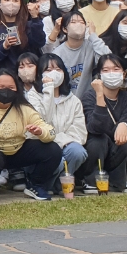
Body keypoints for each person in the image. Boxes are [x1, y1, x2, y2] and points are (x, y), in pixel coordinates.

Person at [0, 68, 61, 201]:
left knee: (53, 150)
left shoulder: (25, 109)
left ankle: (36, 185)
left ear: (17, 89)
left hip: (18, 151)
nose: (6, 91)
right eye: (1, 87)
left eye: (11, 87)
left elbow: (50, 131)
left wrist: (40, 131)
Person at [26, 55, 87, 193]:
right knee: (55, 159)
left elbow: (80, 134)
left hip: (65, 146)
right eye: (48, 70)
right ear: (39, 74)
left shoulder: (73, 100)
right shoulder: (32, 97)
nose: (54, 73)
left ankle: (61, 185)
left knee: (78, 151)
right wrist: (48, 89)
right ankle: (43, 185)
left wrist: (58, 141)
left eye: (58, 69)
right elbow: (42, 121)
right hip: (42, 146)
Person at [80, 56, 127, 193]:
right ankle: (91, 180)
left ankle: (119, 180)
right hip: (96, 147)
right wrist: (99, 95)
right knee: (98, 140)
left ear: (124, 74)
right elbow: (94, 128)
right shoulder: (89, 96)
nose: (111, 74)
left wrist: (125, 125)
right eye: (106, 70)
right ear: (99, 75)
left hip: (115, 147)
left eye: (116, 69)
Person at [43, 11, 109, 99]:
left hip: (88, 99)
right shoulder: (58, 53)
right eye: (73, 22)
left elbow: (108, 60)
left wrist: (93, 35)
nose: (78, 25)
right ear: (65, 29)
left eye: (81, 22)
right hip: (66, 100)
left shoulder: (91, 46)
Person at [0, 0, 45, 71]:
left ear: (20, 5)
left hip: (28, 71)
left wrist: (35, 17)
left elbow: (39, 42)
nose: (11, 3)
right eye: (7, 0)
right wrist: (4, 46)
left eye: (15, 1)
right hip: (3, 73)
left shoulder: (28, 25)